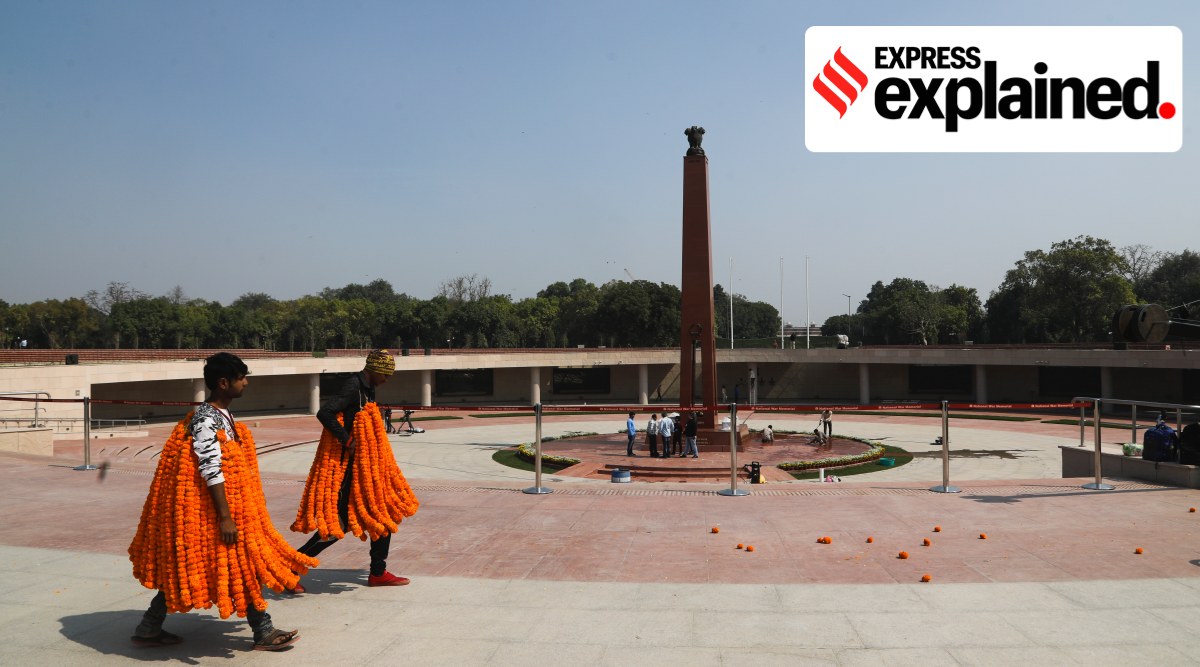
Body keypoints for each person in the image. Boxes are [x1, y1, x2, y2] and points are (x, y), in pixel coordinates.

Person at [129, 352, 309, 651]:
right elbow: (211, 468)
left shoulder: (220, 415)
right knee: (242, 566)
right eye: (241, 378)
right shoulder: (205, 419)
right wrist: (225, 517)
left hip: (224, 509)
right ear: (223, 383)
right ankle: (263, 630)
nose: (246, 383)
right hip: (213, 513)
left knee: (216, 568)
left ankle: (149, 627)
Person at [291, 349, 417, 591]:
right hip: (347, 471)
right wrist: (347, 440)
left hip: (365, 468)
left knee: (382, 514)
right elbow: (325, 413)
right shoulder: (353, 386)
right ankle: (290, 568)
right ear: (375, 370)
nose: (386, 380)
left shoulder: (369, 388)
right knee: (337, 526)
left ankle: (378, 573)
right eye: (385, 375)